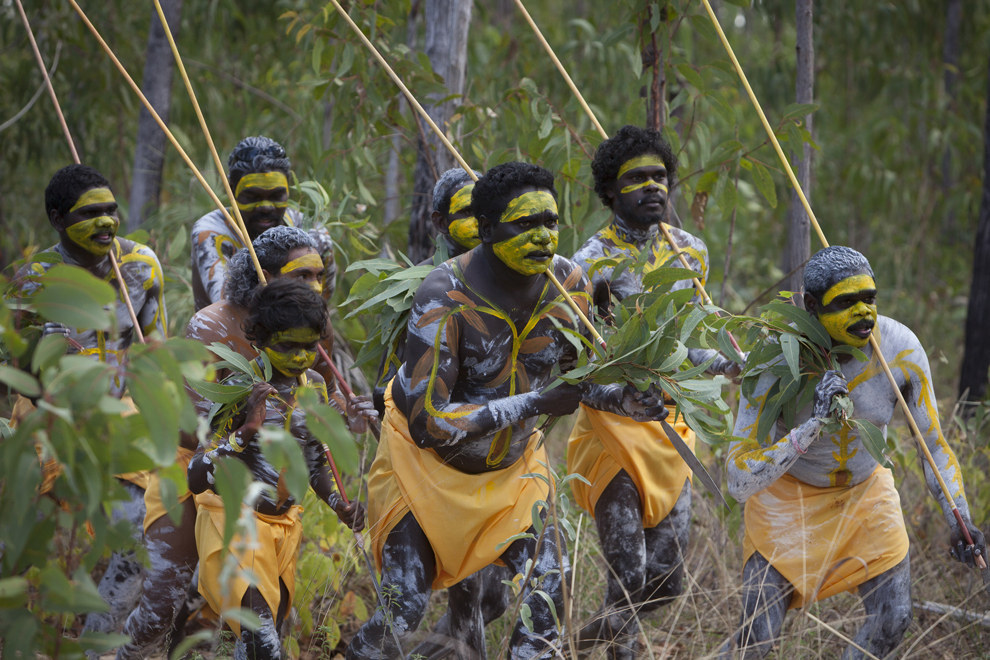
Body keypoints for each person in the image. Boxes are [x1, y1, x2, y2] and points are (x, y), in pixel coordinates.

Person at [346, 162, 670, 659]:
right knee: (401, 613)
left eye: (551, 222)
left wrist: (626, 399)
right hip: (426, 473)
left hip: (515, 475)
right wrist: (532, 404)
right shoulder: (443, 296)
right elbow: (427, 422)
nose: (544, 237)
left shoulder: (569, 286)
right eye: (526, 224)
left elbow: (575, 383)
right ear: (487, 228)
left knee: (548, 592)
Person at [722, 246, 986, 658]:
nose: (865, 313)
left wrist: (959, 516)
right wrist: (811, 428)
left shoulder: (900, 350)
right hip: (787, 502)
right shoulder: (774, 360)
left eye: (870, 299)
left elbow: (932, 444)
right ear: (811, 306)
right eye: (847, 302)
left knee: (893, 620)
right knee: (757, 639)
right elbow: (738, 480)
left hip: (866, 495)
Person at [566, 125, 738, 658]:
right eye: (636, 178)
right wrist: (617, 396)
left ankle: (579, 639)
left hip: (670, 430)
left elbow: (688, 347)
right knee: (631, 577)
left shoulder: (691, 254)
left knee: (666, 580)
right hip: (612, 430)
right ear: (610, 192)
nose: (653, 187)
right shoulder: (586, 263)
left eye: (660, 176)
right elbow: (573, 366)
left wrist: (728, 365)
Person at [12, 163, 166, 639]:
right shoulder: (34, 279)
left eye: (111, 210)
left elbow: (156, 353)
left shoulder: (141, 265)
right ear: (57, 219)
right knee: (11, 537)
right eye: (90, 213)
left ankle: (101, 641)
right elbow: (16, 368)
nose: (106, 222)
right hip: (48, 416)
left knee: (138, 534)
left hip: (120, 415)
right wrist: (48, 350)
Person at [187, 279, 364, 660]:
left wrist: (338, 502)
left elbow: (315, 461)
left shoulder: (314, 386)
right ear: (259, 339)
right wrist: (246, 431)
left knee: (260, 641)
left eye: (309, 346)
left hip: (284, 526)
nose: (301, 358)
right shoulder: (238, 387)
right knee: (262, 643)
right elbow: (197, 474)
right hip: (233, 524)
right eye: (288, 346)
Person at [189, 135, 336, 311]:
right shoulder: (211, 233)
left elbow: (321, 306)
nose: (266, 207)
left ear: (288, 190)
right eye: (253, 196)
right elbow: (228, 305)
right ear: (231, 191)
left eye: (276, 196)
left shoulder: (312, 233)